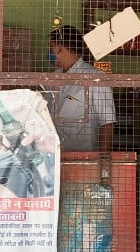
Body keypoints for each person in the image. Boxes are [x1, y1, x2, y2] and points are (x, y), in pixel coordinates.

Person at [47, 24, 115, 154]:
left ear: (61, 48)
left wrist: (102, 159)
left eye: (51, 47)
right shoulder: (53, 78)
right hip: (54, 155)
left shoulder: (94, 78)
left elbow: (108, 123)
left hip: (83, 156)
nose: (49, 53)